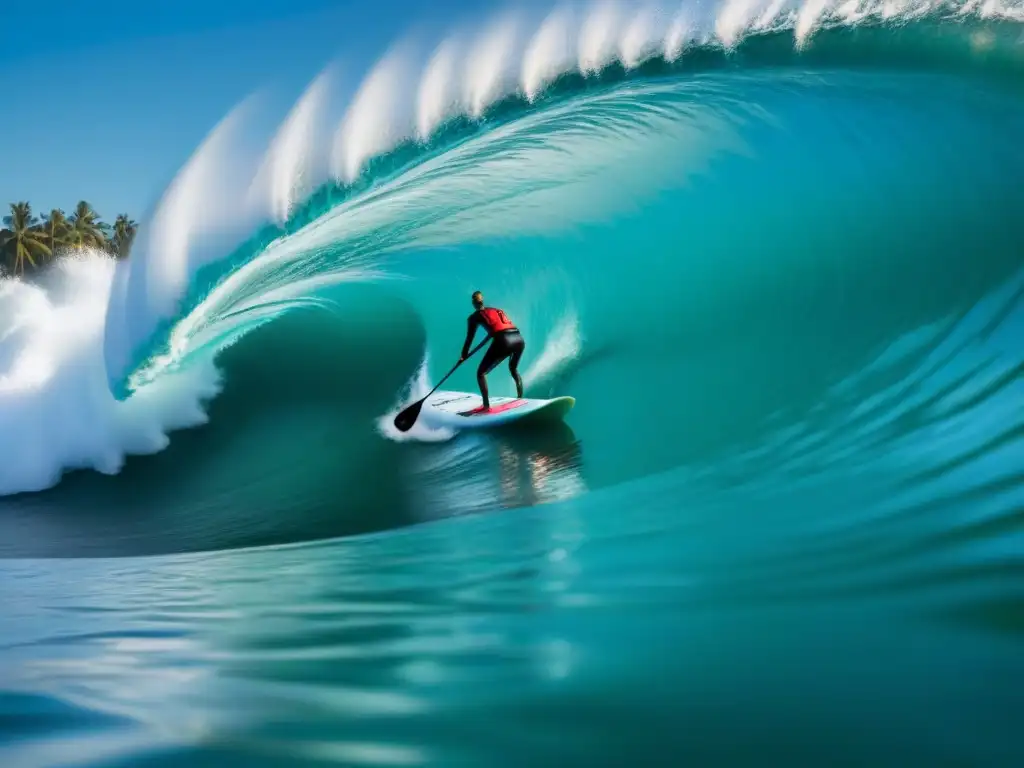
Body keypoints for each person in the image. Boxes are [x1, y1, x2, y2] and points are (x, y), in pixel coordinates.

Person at [461, 291, 525, 411]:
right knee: (513, 368)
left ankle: (486, 406)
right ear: (482, 300)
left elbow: (469, 338)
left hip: (504, 340)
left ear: (473, 303)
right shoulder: (496, 310)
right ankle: (520, 397)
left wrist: (463, 355)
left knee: (480, 373)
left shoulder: (474, 317)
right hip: (519, 339)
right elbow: (499, 328)